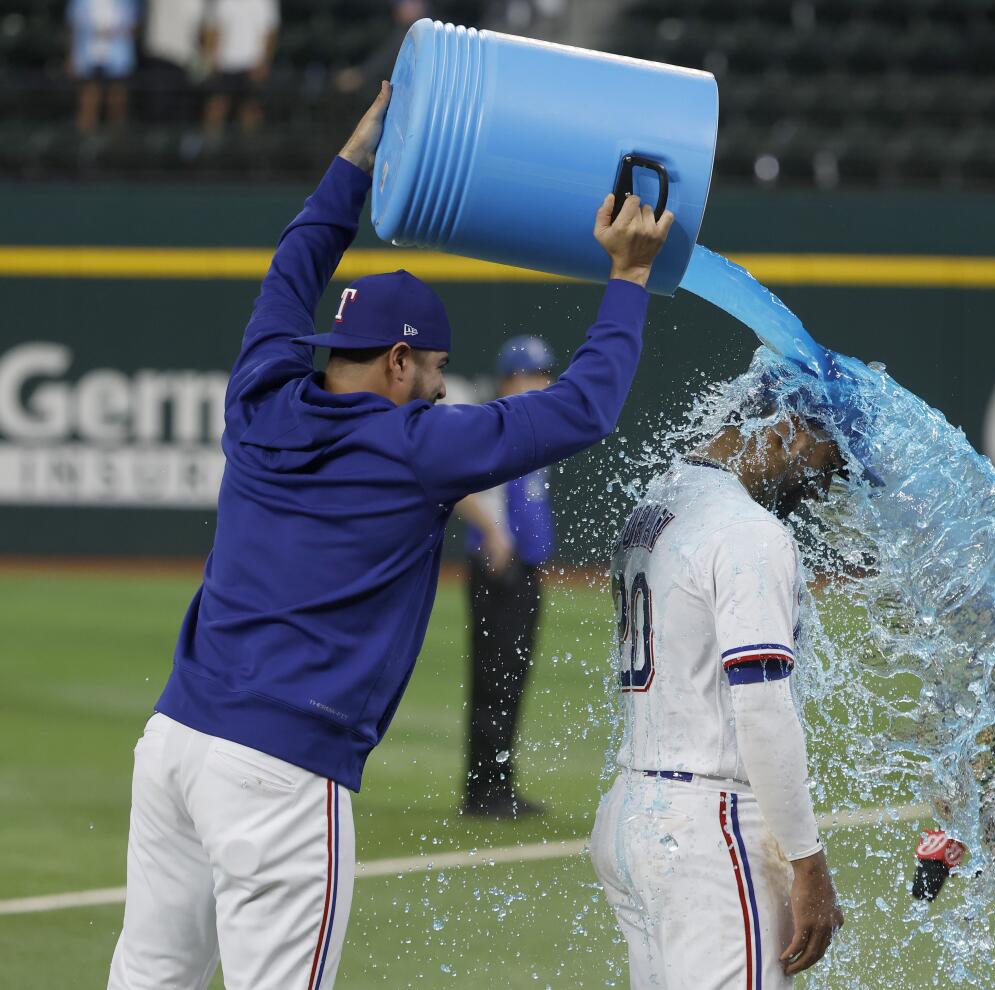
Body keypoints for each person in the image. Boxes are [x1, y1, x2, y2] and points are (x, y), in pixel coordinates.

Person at [107, 84, 674, 989]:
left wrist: (356, 156)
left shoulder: (258, 398)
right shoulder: (417, 449)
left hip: (175, 741)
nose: (447, 389)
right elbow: (585, 407)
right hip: (281, 773)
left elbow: (296, 260)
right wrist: (630, 277)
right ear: (399, 361)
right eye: (439, 370)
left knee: (146, 979)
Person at [591, 387, 847, 989]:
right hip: (710, 832)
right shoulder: (746, 530)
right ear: (791, 429)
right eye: (827, 460)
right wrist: (807, 860)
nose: (823, 487)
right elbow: (760, 707)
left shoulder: (664, 498)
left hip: (636, 808)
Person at [456, 335, 558, 819]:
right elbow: (458, 484)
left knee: (511, 680)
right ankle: (484, 791)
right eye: (536, 374)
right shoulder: (494, 424)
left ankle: (499, 783)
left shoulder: (529, 428)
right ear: (511, 379)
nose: (545, 382)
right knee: (495, 680)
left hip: (523, 569)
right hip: (499, 568)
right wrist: (493, 531)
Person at [202, 0, 279, 136]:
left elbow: (271, 33)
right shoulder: (220, 3)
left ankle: (250, 151)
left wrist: (264, 63)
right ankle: (210, 150)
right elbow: (212, 29)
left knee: (250, 110)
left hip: (252, 66)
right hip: (224, 65)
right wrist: (211, 60)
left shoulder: (265, 3)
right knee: (216, 107)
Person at [67, 0, 139, 135]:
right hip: (89, 57)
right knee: (89, 98)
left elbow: (133, 27)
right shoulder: (80, 3)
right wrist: (72, 57)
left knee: (116, 99)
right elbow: (74, 28)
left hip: (118, 59)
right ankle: (85, 140)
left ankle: (117, 140)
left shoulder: (127, 2)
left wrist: (114, 31)